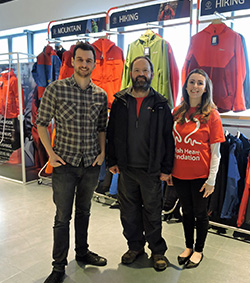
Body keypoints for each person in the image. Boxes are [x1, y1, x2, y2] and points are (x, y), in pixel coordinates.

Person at [36, 42, 108, 283]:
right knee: (62, 217)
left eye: (89, 61)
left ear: (94, 64)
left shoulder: (101, 94)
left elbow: (101, 128)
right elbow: (42, 123)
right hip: (64, 165)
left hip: (90, 163)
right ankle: (58, 267)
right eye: (80, 60)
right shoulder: (55, 89)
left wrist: (102, 152)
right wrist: (50, 153)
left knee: (84, 212)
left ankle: (82, 252)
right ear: (72, 61)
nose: (84, 65)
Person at [107, 56, 174, 271]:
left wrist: (166, 169)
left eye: (145, 70)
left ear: (152, 74)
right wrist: (112, 160)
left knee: (153, 212)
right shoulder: (120, 101)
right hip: (126, 169)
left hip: (151, 170)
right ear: (131, 73)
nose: (141, 74)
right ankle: (135, 247)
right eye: (137, 70)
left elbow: (168, 139)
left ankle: (157, 251)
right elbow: (112, 133)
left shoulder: (161, 104)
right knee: (129, 213)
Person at [169, 68, 225, 268]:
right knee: (186, 212)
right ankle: (188, 246)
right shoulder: (177, 112)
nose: (195, 86)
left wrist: (211, 180)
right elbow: (170, 144)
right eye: (192, 82)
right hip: (180, 174)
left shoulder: (212, 115)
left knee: (200, 214)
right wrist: (169, 171)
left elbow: (216, 152)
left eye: (200, 83)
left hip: (201, 176)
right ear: (185, 85)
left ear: (205, 88)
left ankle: (199, 250)